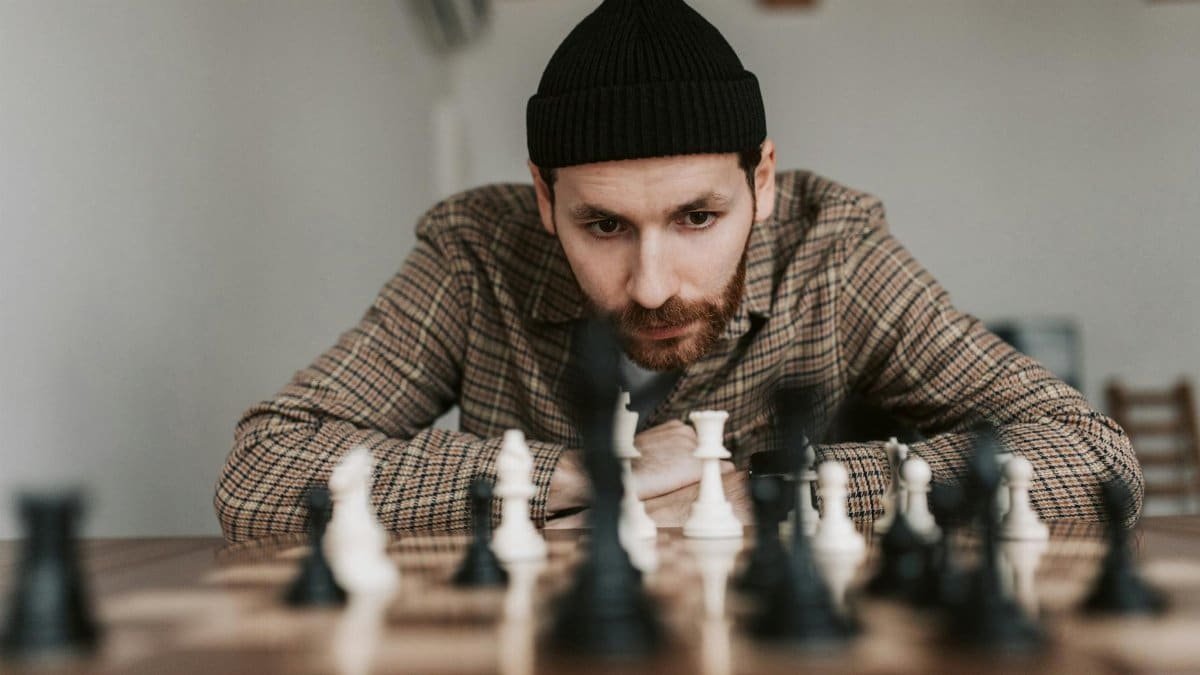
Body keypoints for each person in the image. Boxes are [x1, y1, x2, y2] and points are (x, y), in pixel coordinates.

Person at [214, 0, 1141, 543]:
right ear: (543, 198)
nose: (652, 283)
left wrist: (773, 487)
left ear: (762, 182)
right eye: (603, 225)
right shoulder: (474, 251)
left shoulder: (837, 250)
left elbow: (1093, 455)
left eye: (698, 217)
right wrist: (580, 474)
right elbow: (260, 474)